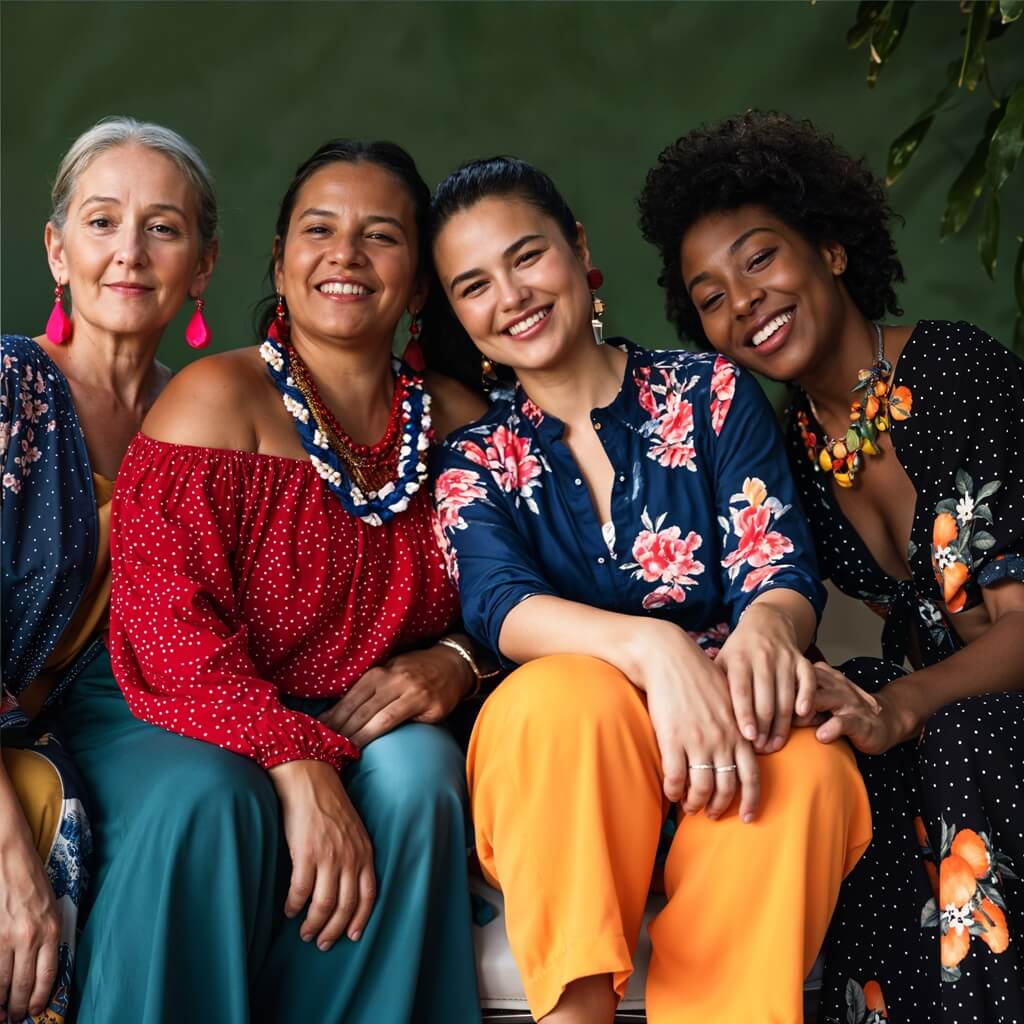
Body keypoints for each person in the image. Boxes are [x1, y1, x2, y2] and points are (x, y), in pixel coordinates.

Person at [425, 156, 872, 1024]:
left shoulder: (713, 392)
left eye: (527, 257)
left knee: (810, 768)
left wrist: (763, 638)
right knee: (558, 695)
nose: (510, 296)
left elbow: (777, 568)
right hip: (571, 771)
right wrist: (656, 647)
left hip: (734, 729)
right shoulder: (471, 460)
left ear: (577, 248)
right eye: (473, 285)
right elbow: (499, 604)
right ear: (456, 314)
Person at [82, 138, 487, 1024]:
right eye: (318, 230)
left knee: (421, 774)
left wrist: (457, 656)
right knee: (214, 798)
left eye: (380, 236)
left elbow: (526, 589)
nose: (344, 254)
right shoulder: (212, 400)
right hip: (183, 699)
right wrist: (292, 755)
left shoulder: (461, 425)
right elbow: (165, 628)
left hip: (361, 710)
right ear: (280, 260)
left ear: (418, 284)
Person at [638, 109, 1024, 1023]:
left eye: (761, 259)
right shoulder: (792, 450)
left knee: (947, 729)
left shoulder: (960, 372)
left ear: (833, 253)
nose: (745, 303)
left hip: (987, 711)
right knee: (829, 737)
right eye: (711, 295)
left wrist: (899, 705)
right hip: (933, 712)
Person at [1, 116, 218, 1024]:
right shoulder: (10, 386)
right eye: (101, 222)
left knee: (213, 798)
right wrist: (9, 847)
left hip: (112, 741)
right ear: (57, 251)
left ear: (202, 267)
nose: (129, 252)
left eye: (163, 227)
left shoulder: (204, 418)